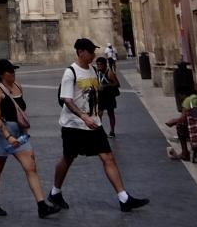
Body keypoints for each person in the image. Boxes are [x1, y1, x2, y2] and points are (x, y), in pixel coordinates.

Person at [49, 38, 148, 213]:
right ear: (80, 52)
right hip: (74, 125)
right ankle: (55, 192)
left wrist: (97, 113)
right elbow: (67, 100)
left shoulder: (94, 71)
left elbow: (94, 95)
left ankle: (124, 198)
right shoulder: (70, 72)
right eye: (90, 51)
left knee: (108, 157)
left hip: (94, 124)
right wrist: (83, 116)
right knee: (68, 157)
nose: (94, 54)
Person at [0, 59, 59, 219]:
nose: (14, 73)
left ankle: (42, 206)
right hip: (0, 133)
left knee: (31, 167)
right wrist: (8, 137)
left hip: (17, 132)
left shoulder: (18, 86)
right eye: (10, 71)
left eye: (14, 70)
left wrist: (20, 132)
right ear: (1, 74)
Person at [164, 83, 197, 161]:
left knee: (180, 126)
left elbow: (183, 118)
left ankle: (185, 153)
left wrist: (173, 122)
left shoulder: (187, 100)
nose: (180, 98)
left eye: (179, 95)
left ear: (183, 94)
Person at [95, 56, 120, 137]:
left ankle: (112, 131)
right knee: (99, 114)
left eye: (101, 65)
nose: (99, 66)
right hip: (101, 96)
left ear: (105, 65)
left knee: (110, 113)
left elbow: (117, 84)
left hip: (109, 96)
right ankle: (100, 130)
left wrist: (107, 85)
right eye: (98, 65)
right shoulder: (97, 73)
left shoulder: (109, 73)